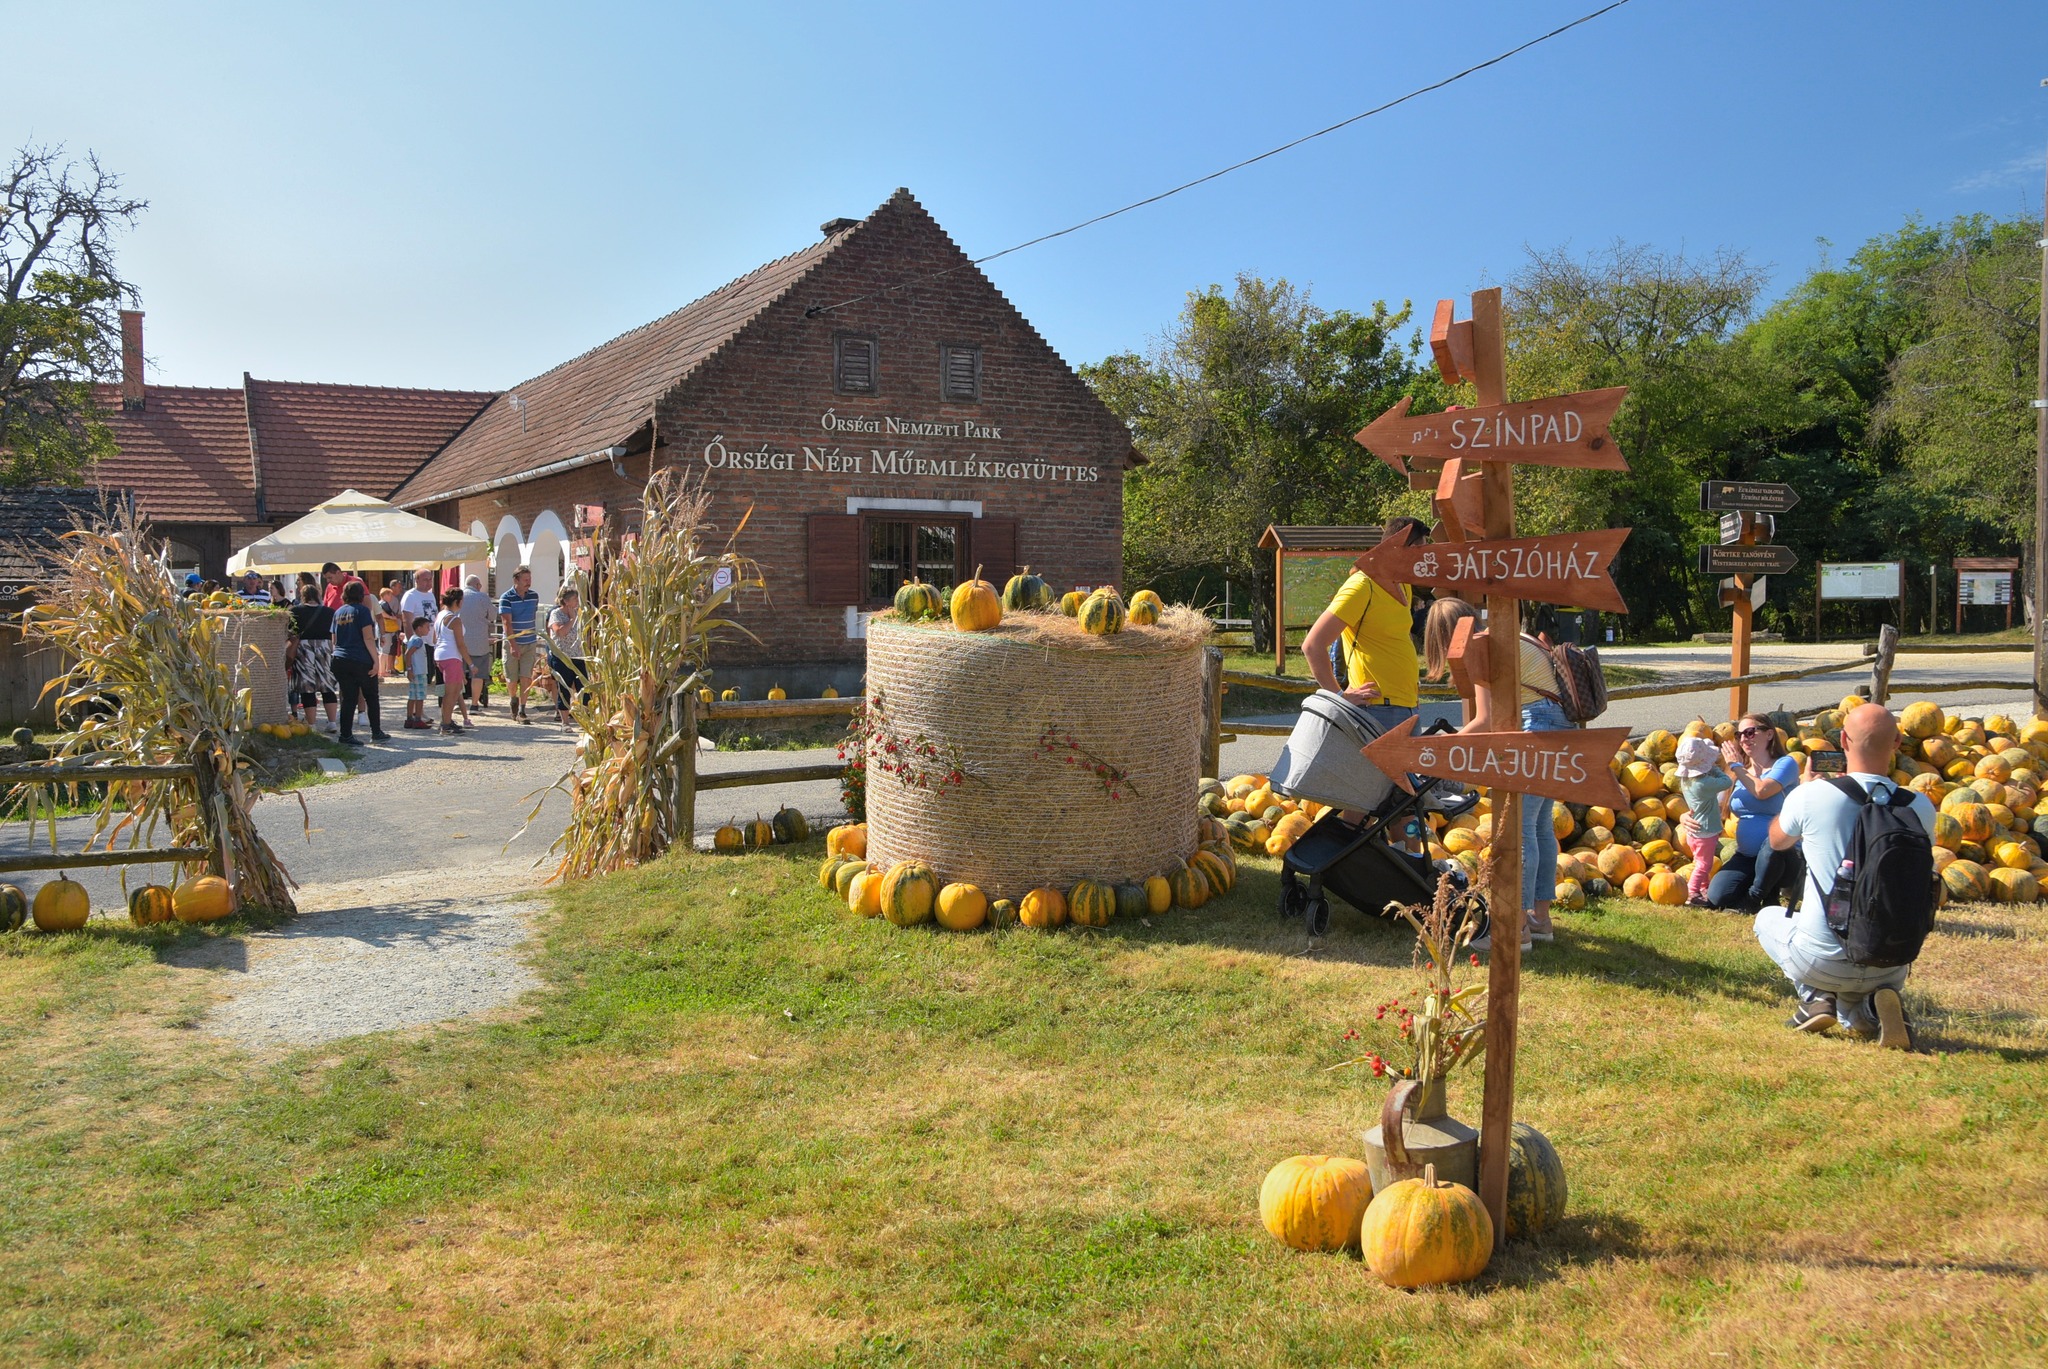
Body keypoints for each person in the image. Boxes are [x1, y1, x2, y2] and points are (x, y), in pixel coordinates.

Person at [1759, 703, 1933, 1048]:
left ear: (1843, 741)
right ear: (1897, 742)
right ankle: (1871, 1007)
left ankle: (1815, 997)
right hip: (1892, 960)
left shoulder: (1813, 795)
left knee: (1766, 918)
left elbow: (1777, 841)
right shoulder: (1921, 807)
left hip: (1822, 957)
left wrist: (1802, 790)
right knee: (1860, 1002)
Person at [1419, 596, 1570, 951]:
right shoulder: (1503, 636)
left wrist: (1443, 750)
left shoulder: (1479, 646)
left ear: (1442, 636)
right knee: (1540, 824)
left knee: (1518, 829)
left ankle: (1513, 929)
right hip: (1560, 724)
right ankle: (1540, 920)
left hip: (1537, 726)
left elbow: (1484, 720)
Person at [1300, 516, 1429, 733]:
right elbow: (1312, 645)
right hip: (1377, 709)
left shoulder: (1403, 585)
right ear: (1397, 547)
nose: (1423, 558)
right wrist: (1340, 697)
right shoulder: (1362, 586)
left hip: (1407, 706)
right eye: (1419, 551)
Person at [1685, 713, 1804, 912]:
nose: (1743, 739)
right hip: (1748, 856)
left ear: (1769, 735)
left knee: (1772, 841)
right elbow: (1712, 805)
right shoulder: (1737, 770)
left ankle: (1753, 899)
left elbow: (1762, 791)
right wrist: (1686, 816)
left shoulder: (1785, 764)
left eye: (1750, 732)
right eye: (1739, 734)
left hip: (1784, 856)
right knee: (1718, 896)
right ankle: (1766, 894)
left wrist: (1736, 767)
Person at [1675, 737, 1733, 907]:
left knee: (1699, 861)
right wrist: (1714, 769)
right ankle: (1692, 892)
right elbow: (1727, 781)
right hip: (1705, 830)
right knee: (1704, 863)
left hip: (1694, 831)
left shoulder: (1686, 781)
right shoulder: (1704, 783)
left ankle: (1703, 888)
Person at [330, 580, 388, 745]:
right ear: (361, 596)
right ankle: (376, 732)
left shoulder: (338, 612)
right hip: (360, 659)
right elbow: (368, 637)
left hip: (340, 658)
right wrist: (376, 661)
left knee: (348, 698)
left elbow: (334, 639)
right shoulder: (362, 611)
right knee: (371, 696)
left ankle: (346, 735)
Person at [498, 565, 546, 725]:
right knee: (511, 678)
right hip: (513, 641)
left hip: (530, 641)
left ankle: (522, 709)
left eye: (530, 579)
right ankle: (513, 699)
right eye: (525, 580)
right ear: (516, 580)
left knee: (526, 676)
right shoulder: (506, 597)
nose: (528, 583)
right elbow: (506, 622)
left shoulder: (534, 596)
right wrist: (513, 644)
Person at [287, 583, 339, 731]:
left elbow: (290, 633)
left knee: (307, 687)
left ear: (302, 596)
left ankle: (312, 725)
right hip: (325, 648)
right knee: (327, 686)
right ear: (317, 595)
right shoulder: (330, 612)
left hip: (304, 649)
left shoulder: (295, 611)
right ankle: (332, 723)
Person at [432, 586, 472, 735]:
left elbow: (434, 638)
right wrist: (471, 663)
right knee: (452, 692)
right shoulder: (455, 620)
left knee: (452, 692)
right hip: (451, 656)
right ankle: (446, 724)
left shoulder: (441, 614)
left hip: (441, 655)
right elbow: (460, 644)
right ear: (458, 602)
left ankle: (446, 720)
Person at [547, 588, 587, 725]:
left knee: (584, 689)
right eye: (574, 599)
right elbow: (560, 632)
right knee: (564, 689)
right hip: (562, 657)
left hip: (578, 656)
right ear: (566, 601)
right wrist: (572, 619)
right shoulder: (556, 614)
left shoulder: (579, 613)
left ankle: (584, 721)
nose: (577, 602)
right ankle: (565, 722)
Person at [458, 573, 493, 711]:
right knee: (477, 674)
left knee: (459, 672)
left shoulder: (459, 596)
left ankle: (458, 701)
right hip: (479, 641)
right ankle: (474, 704)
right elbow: (492, 615)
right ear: (477, 585)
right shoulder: (482, 597)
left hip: (460, 640)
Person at [401, 616, 433, 729]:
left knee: (412, 696)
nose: (428, 630)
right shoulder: (418, 640)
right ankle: (418, 719)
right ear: (419, 628)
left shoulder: (413, 639)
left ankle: (409, 718)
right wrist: (409, 669)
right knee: (420, 697)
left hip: (415, 672)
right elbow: (408, 654)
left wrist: (409, 670)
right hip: (419, 672)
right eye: (427, 627)